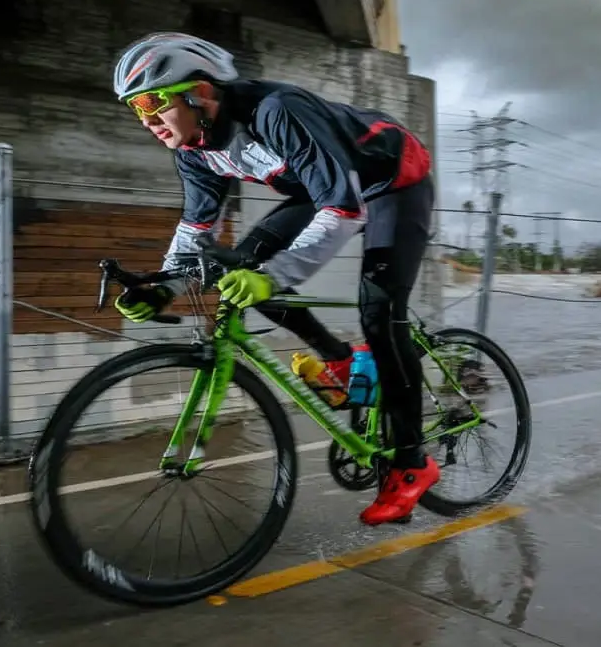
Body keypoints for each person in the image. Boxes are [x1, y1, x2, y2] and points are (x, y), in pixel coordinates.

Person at [109, 31, 439, 526]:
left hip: (392, 179)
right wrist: (164, 286)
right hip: (321, 187)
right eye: (137, 110)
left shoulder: (277, 111)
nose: (148, 120)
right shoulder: (194, 149)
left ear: (201, 91)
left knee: (379, 314)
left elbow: (344, 207)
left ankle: (412, 463)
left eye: (154, 103)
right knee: (237, 269)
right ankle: (342, 361)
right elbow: (196, 229)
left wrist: (275, 277)